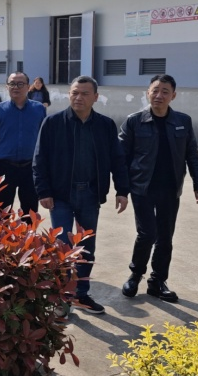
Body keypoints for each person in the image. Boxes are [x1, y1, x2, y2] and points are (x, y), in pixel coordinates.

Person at [33, 76, 129, 315]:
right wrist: (44, 191)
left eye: (85, 93)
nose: (79, 98)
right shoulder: (53, 123)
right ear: (69, 94)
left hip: (91, 194)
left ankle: (81, 294)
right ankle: (61, 297)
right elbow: (40, 159)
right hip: (60, 195)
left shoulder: (105, 125)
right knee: (63, 247)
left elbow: (117, 159)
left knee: (86, 247)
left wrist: (122, 190)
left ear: (96, 97)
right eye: (75, 92)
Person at [118, 74, 198, 303]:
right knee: (147, 234)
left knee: (165, 238)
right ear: (148, 92)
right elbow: (121, 158)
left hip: (170, 188)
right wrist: (122, 190)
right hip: (142, 187)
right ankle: (136, 274)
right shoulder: (134, 121)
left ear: (173, 96)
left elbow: (192, 154)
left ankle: (157, 281)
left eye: (165, 91)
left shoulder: (183, 121)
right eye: (155, 90)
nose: (159, 95)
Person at [0, 72, 47, 215]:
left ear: (28, 87)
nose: (16, 87)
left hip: (30, 168)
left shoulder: (39, 109)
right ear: (7, 87)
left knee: (30, 211)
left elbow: (45, 140)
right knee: (1, 211)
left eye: (20, 84)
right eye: (12, 84)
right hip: (4, 168)